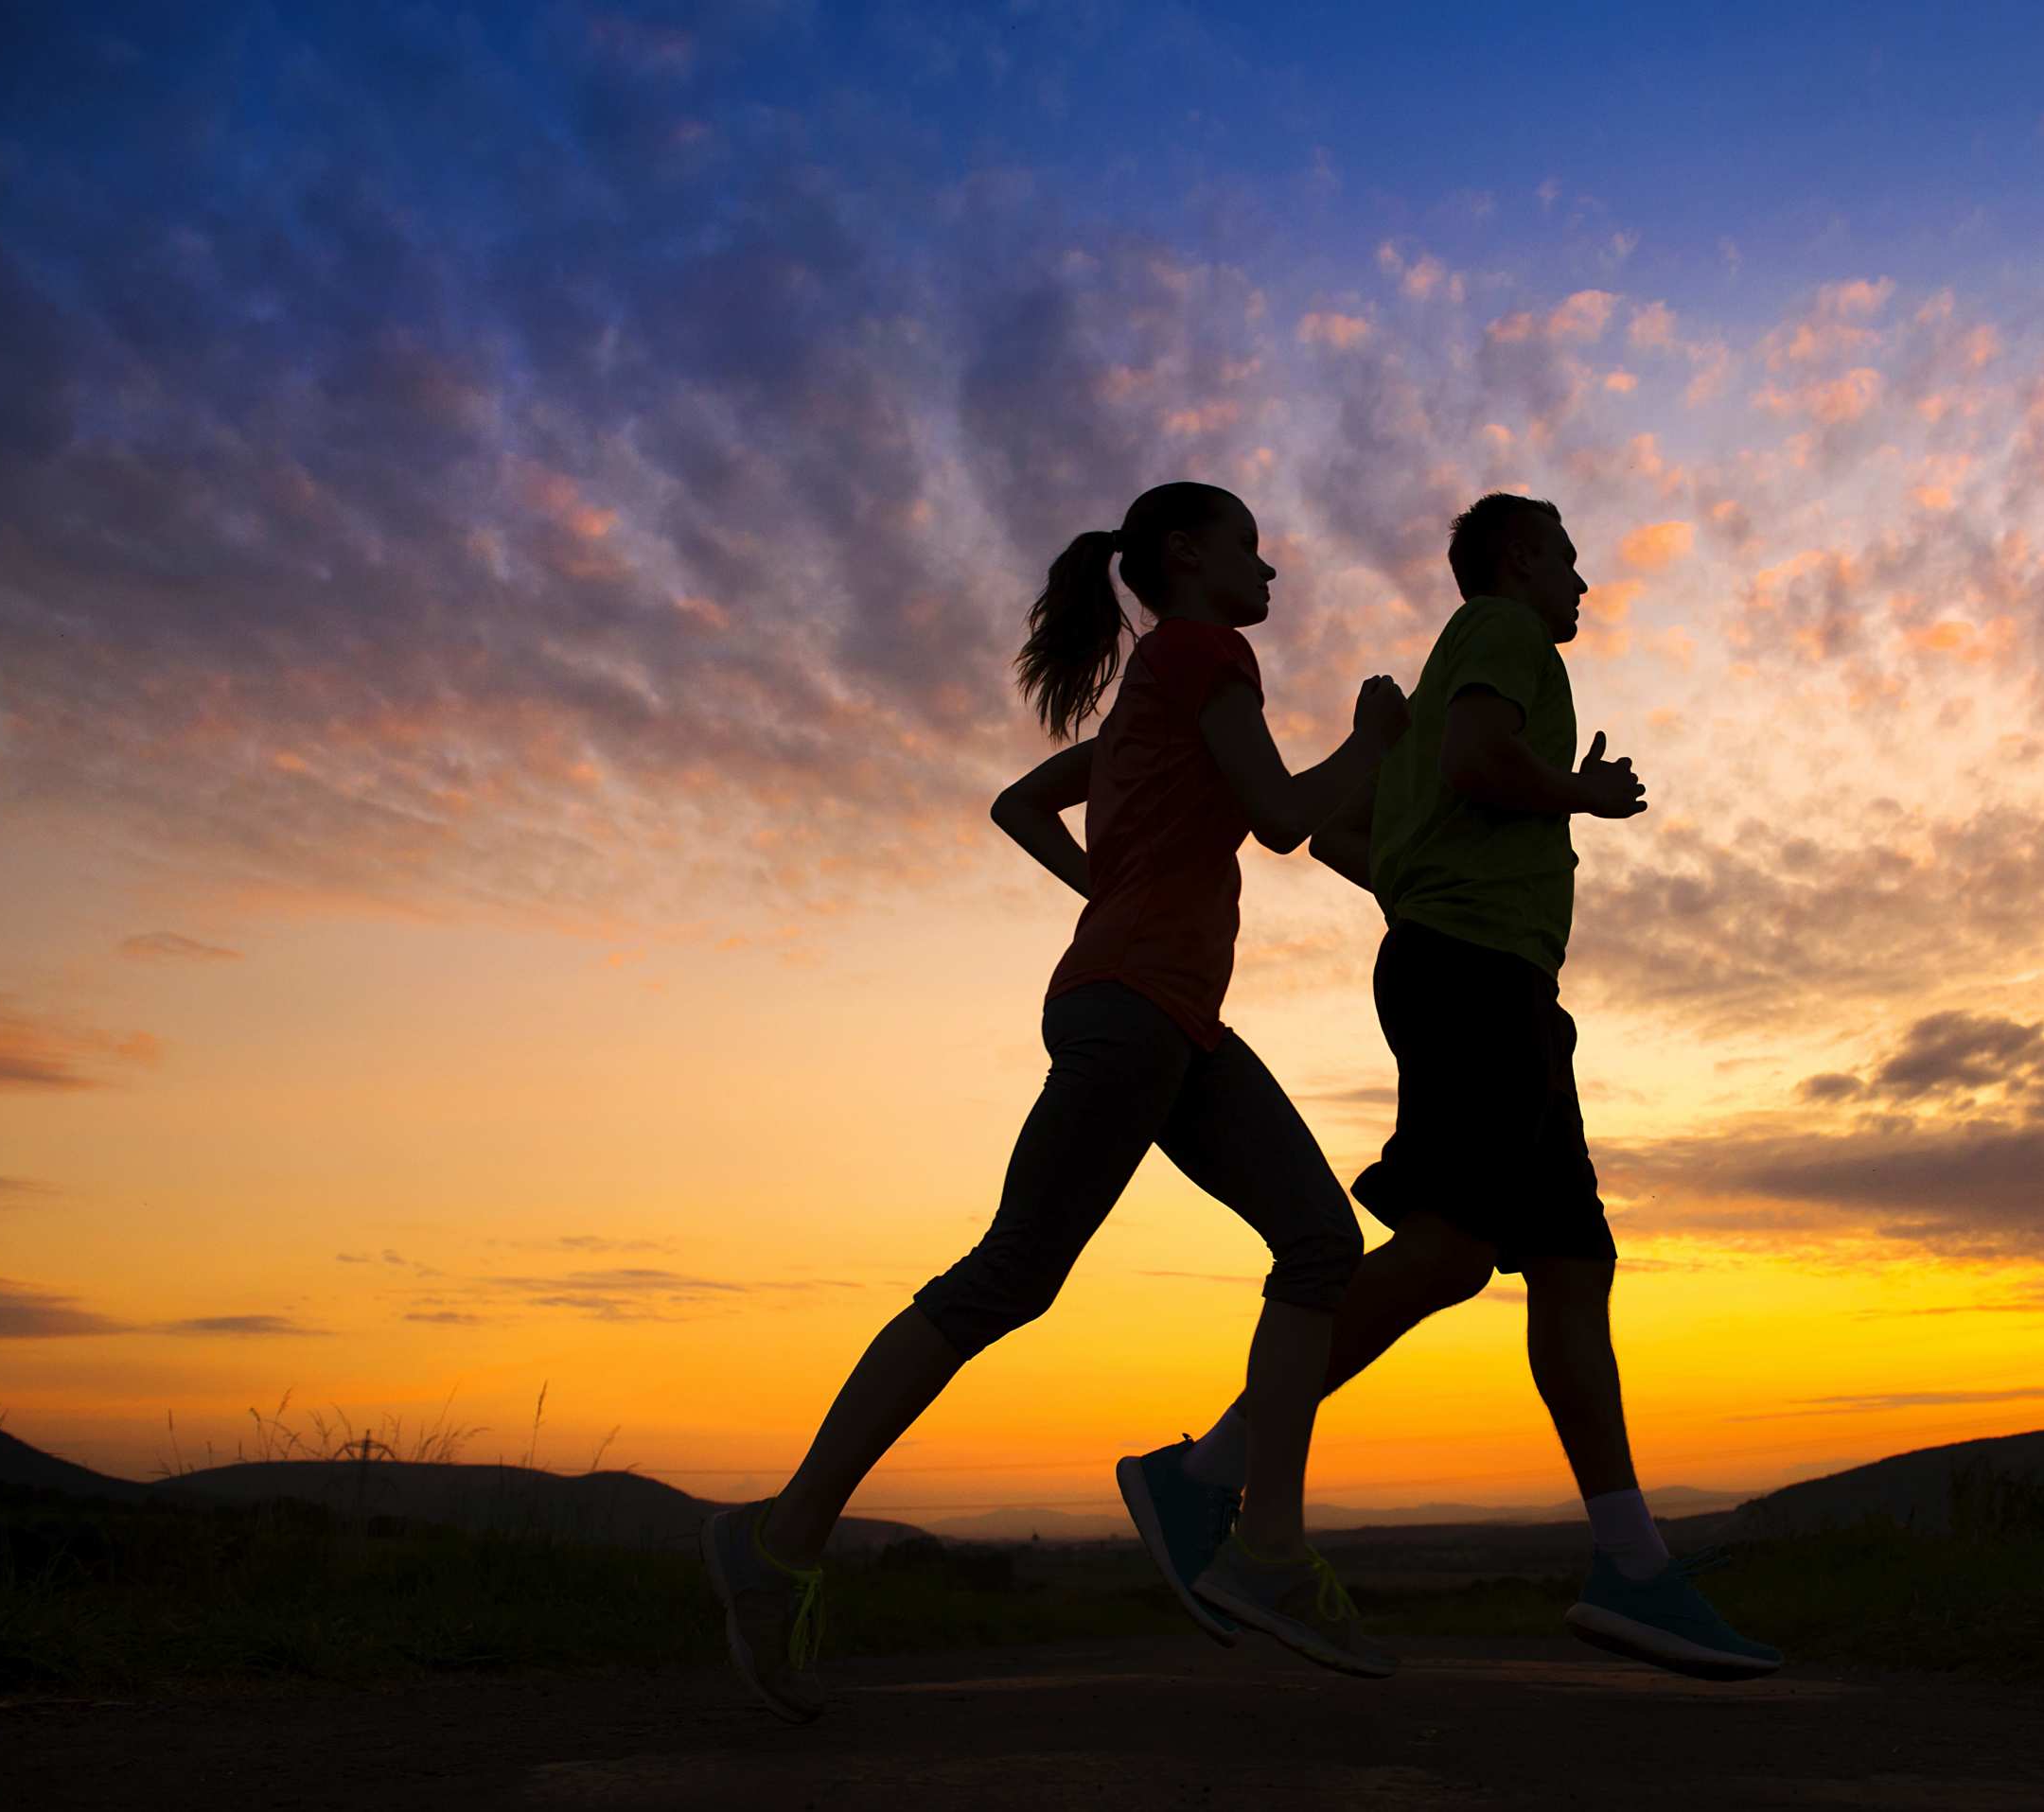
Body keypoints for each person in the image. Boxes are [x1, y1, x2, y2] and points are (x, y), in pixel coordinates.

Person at [705, 482, 1410, 1721]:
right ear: (1189, 557)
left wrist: (1118, 888)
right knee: (1009, 1275)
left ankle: (1269, 1553)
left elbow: (1020, 802)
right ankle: (780, 1539)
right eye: (1253, 545)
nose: (1273, 570)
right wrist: (1375, 737)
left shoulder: (1158, 693)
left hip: (1165, 1013)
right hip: (1136, 1009)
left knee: (1318, 1240)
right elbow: (1290, 819)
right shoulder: (1203, 650)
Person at [1121, 492, 1781, 1680]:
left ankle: (1634, 1568)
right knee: (1444, 1249)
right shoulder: (1501, 631)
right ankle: (1207, 1471)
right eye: (1570, 561)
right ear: (1521, 559)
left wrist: (1424, 891)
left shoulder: (1435, 695)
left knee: (1574, 1266)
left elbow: (1345, 839)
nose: (1581, 585)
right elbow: (1481, 763)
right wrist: (1579, 797)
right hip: (1477, 980)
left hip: (1500, 981)